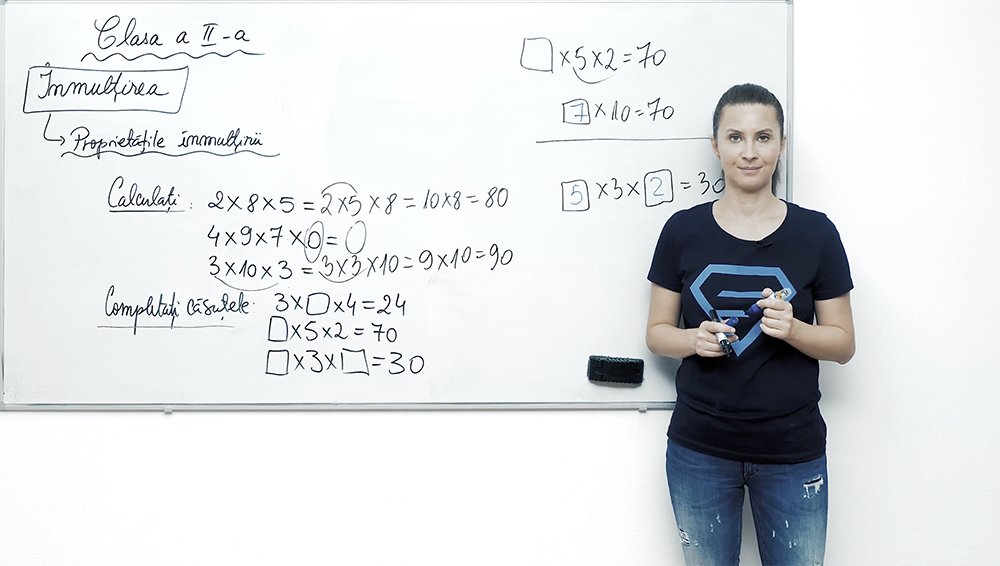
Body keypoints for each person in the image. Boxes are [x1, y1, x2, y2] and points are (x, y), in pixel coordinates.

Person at [645, 83, 855, 566]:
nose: (749, 152)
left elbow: (843, 344)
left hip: (793, 450)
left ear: (782, 145)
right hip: (699, 449)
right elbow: (656, 332)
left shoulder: (817, 233)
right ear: (715, 145)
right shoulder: (681, 231)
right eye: (735, 137)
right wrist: (692, 339)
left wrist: (795, 329)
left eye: (763, 137)